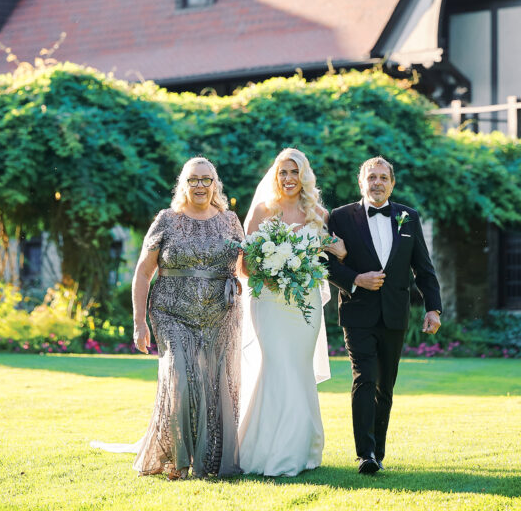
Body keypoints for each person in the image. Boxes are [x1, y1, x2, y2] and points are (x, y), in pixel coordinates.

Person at [93, 157, 244, 479]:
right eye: (193, 180)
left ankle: (211, 460)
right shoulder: (167, 220)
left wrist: (278, 262)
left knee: (217, 384)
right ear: (183, 184)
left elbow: (245, 267)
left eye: (206, 179)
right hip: (171, 311)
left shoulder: (231, 220)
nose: (200, 186)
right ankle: (176, 458)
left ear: (215, 184)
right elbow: (144, 272)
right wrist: (139, 322)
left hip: (221, 312)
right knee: (181, 377)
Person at [326, 155, 442, 476]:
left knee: (385, 386)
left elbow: (423, 267)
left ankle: (378, 450)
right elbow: (326, 263)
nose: (377, 183)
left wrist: (433, 307)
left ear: (392, 183)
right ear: (361, 182)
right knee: (365, 378)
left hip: (395, 314)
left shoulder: (409, 217)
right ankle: (365, 454)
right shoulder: (339, 217)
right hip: (357, 311)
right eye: (371, 177)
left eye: (383, 178)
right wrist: (354, 279)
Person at [238, 147, 347, 476]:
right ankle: (267, 451)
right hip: (269, 303)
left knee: (298, 369)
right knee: (276, 365)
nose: (288, 178)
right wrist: (271, 270)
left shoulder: (319, 214)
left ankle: (302, 449)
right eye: (283, 172)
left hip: (305, 305)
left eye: (294, 172)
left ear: (304, 176)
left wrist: (335, 251)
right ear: (275, 176)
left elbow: (336, 252)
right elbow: (244, 266)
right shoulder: (261, 210)